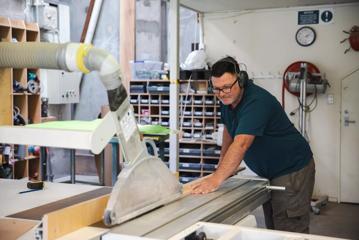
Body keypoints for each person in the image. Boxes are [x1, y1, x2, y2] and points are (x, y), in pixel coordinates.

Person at [189, 56, 316, 233]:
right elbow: (229, 130)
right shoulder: (227, 99)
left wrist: (217, 179)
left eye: (227, 87)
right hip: (270, 171)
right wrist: (223, 164)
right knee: (273, 228)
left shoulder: (256, 101)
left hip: (292, 169)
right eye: (217, 89)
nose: (222, 93)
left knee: (289, 229)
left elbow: (241, 143)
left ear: (240, 79)